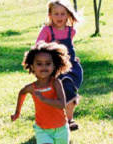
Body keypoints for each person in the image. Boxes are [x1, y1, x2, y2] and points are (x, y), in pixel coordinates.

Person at [11, 41, 72, 144]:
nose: (43, 67)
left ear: (54, 65)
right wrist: (17, 112)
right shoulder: (31, 87)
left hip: (60, 127)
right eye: (39, 64)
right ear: (31, 66)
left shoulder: (56, 83)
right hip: (42, 129)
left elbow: (61, 104)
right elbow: (21, 93)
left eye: (48, 64)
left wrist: (44, 99)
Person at [36, 0, 83, 131]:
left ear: (68, 15)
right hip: (54, 70)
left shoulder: (70, 31)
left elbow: (69, 48)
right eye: (56, 14)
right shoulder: (47, 30)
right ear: (50, 15)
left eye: (63, 14)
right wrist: (50, 45)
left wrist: (73, 57)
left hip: (71, 68)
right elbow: (37, 45)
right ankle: (54, 120)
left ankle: (69, 119)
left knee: (70, 90)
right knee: (54, 94)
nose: (59, 17)